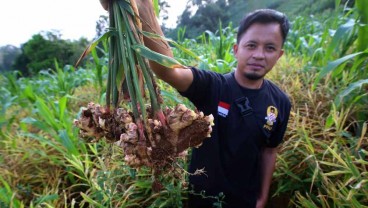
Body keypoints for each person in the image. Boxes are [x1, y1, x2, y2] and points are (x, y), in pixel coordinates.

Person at [99, 1, 291, 207]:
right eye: (251, 45)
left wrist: (262, 199)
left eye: (270, 48)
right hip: (201, 199)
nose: (259, 55)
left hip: (246, 200)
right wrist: (143, 7)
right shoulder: (213, 86)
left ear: (279, 54)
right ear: (236, 49)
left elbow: (270, 151)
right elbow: (168, 70)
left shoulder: (280, 102)